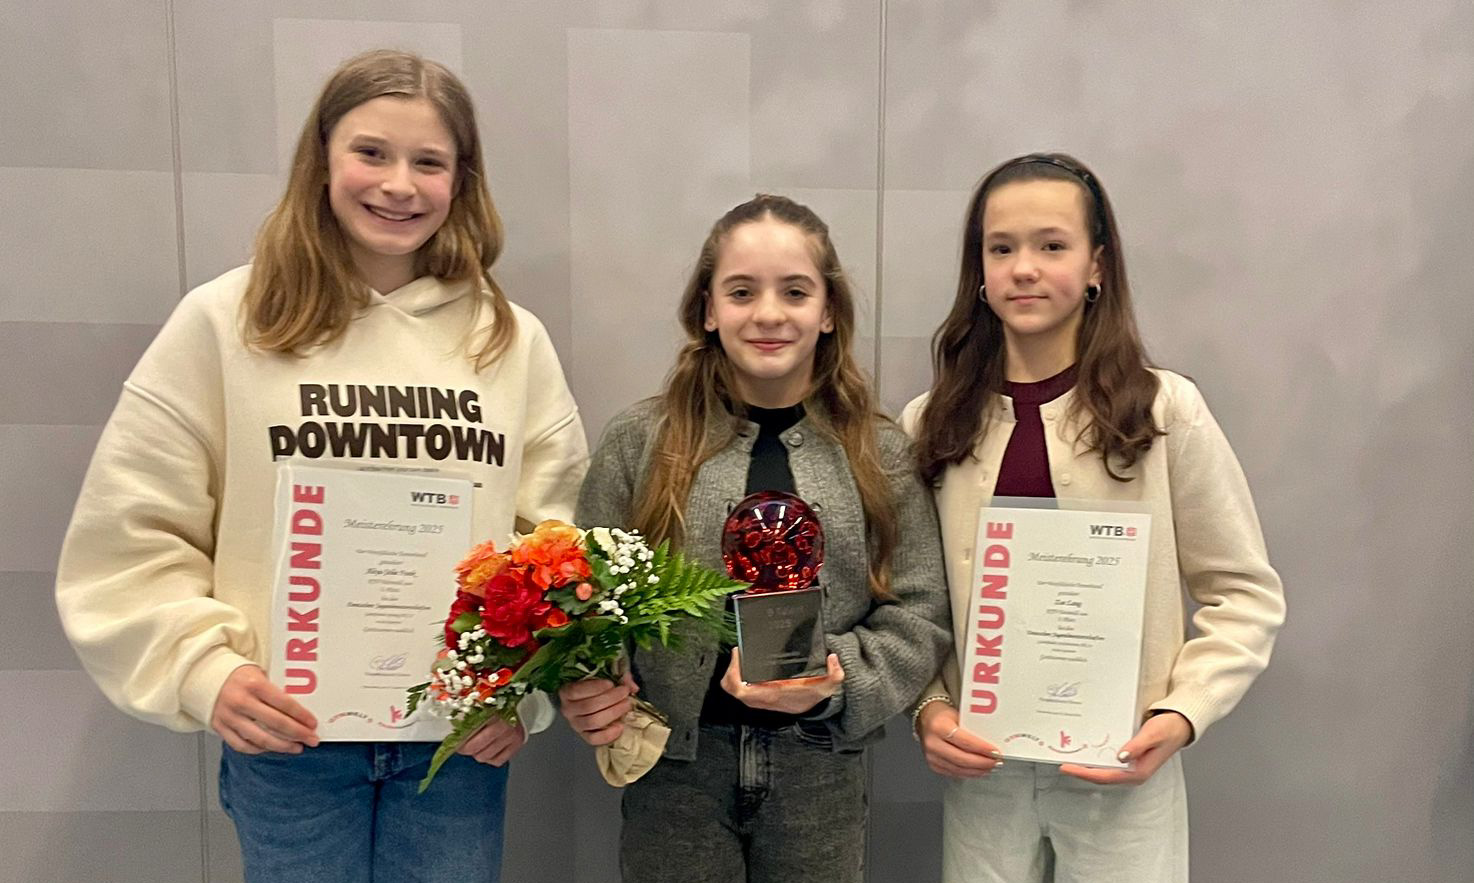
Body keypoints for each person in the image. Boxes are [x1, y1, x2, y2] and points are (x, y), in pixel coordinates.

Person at [54, 49, 587, 883]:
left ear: (461, 180)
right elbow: (132, 531)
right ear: (323, 157)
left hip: (454, 742)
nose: (399, 184)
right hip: (288, 740)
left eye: (429, 162)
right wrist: (205, 671)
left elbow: (558, 545)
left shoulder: (509, 341)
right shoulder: (227, 322)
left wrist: (523, 689)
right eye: (372, 152)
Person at [904, 152, 1286, 882]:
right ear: (979, 270)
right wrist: (929, 708)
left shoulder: (1163, 411)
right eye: (1001, 248)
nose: (1024, 269)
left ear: (1096, 266)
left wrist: (1181, 713)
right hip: (985, 773)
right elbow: (910, 602)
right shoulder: (932, 423)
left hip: (1122, 770)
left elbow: (1244, 592)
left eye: (1052, 245)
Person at [559, 194, 950, 883]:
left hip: (820, 768)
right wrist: (592, 679)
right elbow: (586, 596)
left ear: (828, 311)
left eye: (795, 292)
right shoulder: (640, 442)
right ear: (708, 309)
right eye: (742, 292)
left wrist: (836, 677)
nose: (769, 313)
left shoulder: (880, 452)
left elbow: (920, 612)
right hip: (675, 771)